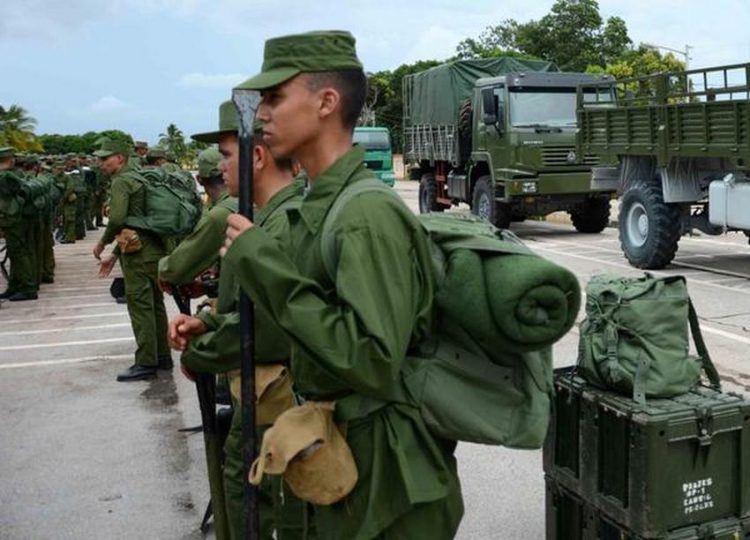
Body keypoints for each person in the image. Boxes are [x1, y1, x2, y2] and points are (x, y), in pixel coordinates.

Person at [221, 31, 464, 539]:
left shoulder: (363, 214)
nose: (261, 113)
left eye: (275, 97)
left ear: (327, 102)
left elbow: (372, 359)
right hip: (344, 456)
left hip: (389, 484)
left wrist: (264, 267)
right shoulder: (323, 206)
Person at [169, 101, 308, 539]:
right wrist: (207, 324)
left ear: (258, 157)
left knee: (265, 509)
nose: (218, 167)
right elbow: (246, 305)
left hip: (274, 399)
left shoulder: (279, 226)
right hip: (257, 394)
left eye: (227, 155)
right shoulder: (259, 218)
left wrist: (205, 348)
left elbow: (269, 327)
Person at [93, 138, 171, 382]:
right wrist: (115, 255)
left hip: (137, 255)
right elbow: (136, 221)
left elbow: (117, 220)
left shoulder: (121, 182)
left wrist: (102, 242)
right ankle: (163, 356)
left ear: (120, 158)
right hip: (153, 251)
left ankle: (146, 362)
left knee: (140, 307)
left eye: (105, 158)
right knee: (156, 305)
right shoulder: (141, 177)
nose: (101, 163)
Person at [157, 147, 237, 297]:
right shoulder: (247, 201)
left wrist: (162, 270)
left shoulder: (219, 215)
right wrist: (208, 287)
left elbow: (175, 270)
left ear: (199, 179)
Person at [0, 147, 38, 301]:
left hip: (13, 219)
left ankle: (28, 288)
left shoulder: (6, 177)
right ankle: (15, 286)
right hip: (12, 218)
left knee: (19, 253)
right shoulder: (9, 175)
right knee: (14, 253)